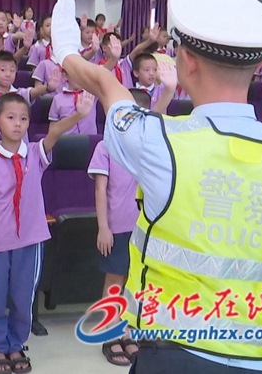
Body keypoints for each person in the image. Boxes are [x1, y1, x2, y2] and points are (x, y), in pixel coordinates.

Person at [50, 0, 262, 374]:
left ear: (187, 62)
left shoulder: (161, 141)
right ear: (260, 65)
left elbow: (106, 85)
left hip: (173, 354)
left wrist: (67, 51)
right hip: (258, 356)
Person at [0, 91, 94, 373]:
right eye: (11, 117)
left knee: (23, 296)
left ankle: (16, 343)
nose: (18, 124)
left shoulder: (36, 154)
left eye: (24, 119)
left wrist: (79, 114)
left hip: (30, 240)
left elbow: (56, 132)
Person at [89, 88, 158, 366]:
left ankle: (128, 332)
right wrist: (103, 227)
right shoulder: (105, 147)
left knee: (136, 283)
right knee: (115, 281)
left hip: (144, 227)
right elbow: (100, 190)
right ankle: (110, 334)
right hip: (117, 226)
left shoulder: (150, 147)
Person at [0, 51, 60, 140]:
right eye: (3, 70)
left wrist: (49, 88)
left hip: (21, 145)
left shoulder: (20, 94)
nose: (8, 74)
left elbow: (34, 91)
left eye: (12, 70)